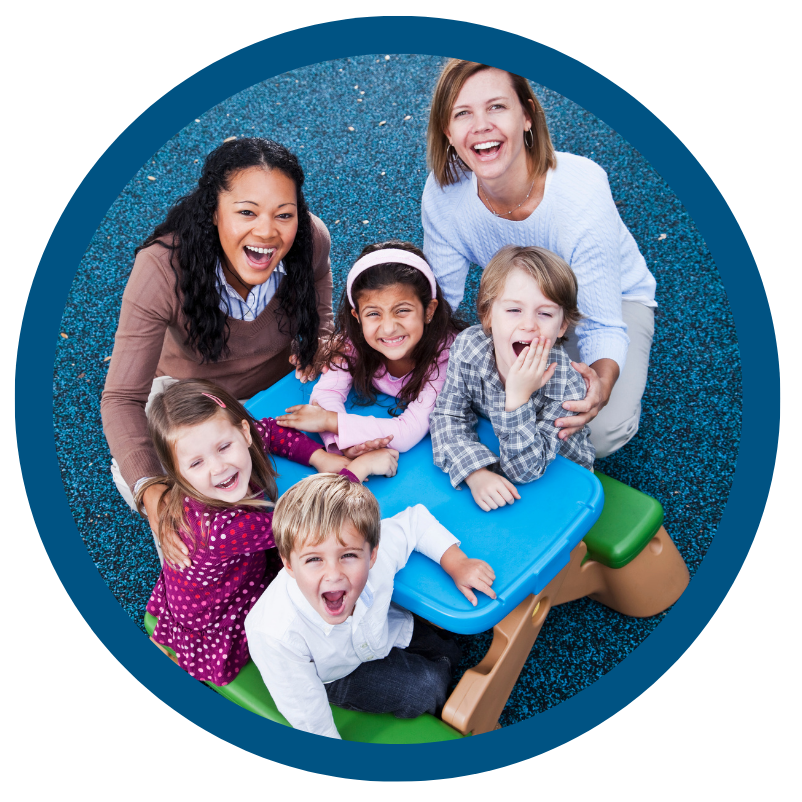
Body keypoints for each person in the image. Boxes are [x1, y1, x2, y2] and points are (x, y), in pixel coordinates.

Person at [101, 137, 334, 568]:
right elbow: (120, 399)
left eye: (284, 214)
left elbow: (321, 314)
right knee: (197, 535)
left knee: (332, 490)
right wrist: (154, 494)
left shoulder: (311, 240)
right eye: (246, 212)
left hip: (274, 398)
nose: (267, 232)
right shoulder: (160, 270)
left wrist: (318, 344)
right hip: (193, 402)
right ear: (213, 211)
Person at [422, 60, 657, 459]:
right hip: (522, 303)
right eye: (463, 113)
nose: (480, 126)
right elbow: (440, 301)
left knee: (596, 431)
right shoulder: (444, 193)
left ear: (527, 116)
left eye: (496, 107)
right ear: (448, 131)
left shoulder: (581, 193)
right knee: (470, 396)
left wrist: (600, 384)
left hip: (607, 300)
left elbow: (601, 322)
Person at [140, 379, 399, 686]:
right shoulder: (221, 530)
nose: (218, 467)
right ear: (178, 474)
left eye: (224, 447)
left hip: (225, 580)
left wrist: (320, 458)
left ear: (243, 433)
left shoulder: (238, 443)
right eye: (196, 463)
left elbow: (270, 431)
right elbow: (307, 526)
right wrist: (359, 469)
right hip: (222, 612)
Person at [244, 472, 496, 739]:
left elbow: (416, 522)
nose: (333, 574)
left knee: (449, 647)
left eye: (348, 556)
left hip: (380, 634)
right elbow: (311, 720)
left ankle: (446, 669)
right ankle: (445, 693)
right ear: (289, 565)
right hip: (333, 676)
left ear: (372, 554)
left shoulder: (375, 548)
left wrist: (456, 562)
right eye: (314, 559)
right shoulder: (273, 633)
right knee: (427, 687)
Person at [430, 246, 594, 512]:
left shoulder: (565, 384)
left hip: (558, 480)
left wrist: (518, 398)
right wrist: (475, 472)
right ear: (487, 315)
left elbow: (526, 471)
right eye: (514, 310)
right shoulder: (469, 348)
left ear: (562, 326)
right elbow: (448, 416)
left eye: (545, 313)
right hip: (493, 454)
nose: (529, 324)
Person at [276, 241, 467, 455]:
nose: (388, 328)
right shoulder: (352, 342)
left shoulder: (448, 358)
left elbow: (407, 432)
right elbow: (326, 394)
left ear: (429, 310)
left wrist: (331, 422)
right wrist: (344, 445)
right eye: (373, 314)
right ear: (357, 317)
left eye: (402, 310)